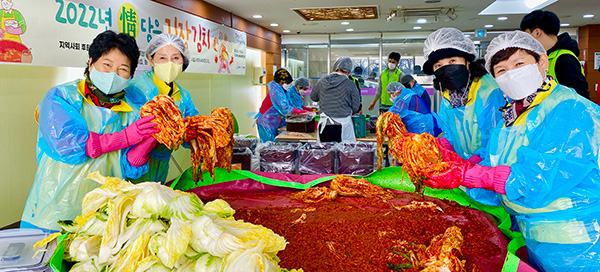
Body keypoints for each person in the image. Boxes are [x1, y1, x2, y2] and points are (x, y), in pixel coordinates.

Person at [423, 30, 600, 272]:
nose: (512, 74)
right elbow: (495, 163)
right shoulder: (514, 115)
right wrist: (465, 165)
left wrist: (471, 175)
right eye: (502, 71)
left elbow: (534, 181)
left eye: (519, 63)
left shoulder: (568, 109)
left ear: (541, 61)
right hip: (536, 238)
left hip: (580, 242)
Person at [21, 30, 157, 231]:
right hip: (53, 213)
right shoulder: (61, 97)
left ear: (131, 75)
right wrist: (126, 137)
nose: (113, 74)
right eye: (107, 65)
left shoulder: (132, 111)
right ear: (91, 62)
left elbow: (128, 167)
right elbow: (72, 146)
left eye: (123, 69)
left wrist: (148, 143)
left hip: (104, 217)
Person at [127, 33, 199, 184]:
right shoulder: (137, 88)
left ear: (182, 60)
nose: (169, 63)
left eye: (175, 58)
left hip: (162, 164)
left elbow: (193, 125)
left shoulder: (183, 95)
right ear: (151, 60)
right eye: (162, 58)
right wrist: (172, 132)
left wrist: (192, 133)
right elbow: (131, 130)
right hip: (135, 163)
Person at [520, 10, 589, 99]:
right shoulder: (546, 56)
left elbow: (580, 96)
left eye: (527, 35)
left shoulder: (564, 59)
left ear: (537, 32)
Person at [311, 57, 361, 142]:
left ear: (335, 68)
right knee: (344, 153)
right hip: (344, 124)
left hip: (325, 124)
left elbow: (313, 97)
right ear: (348, 72)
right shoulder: (350, 84)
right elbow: (356, 107)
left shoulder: (322, 81)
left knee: (326, 152)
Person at [256, 68, 309, 142]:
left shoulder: (283, 90)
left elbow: (290, 105)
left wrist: (304, 110)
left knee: (273, 148)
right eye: (287, 83)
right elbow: (285, 109)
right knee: (268, 148)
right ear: (282, 82)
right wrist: (303, 112)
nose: (289, 85)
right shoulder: (276, 91)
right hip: (266, 123)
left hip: (273, 123)